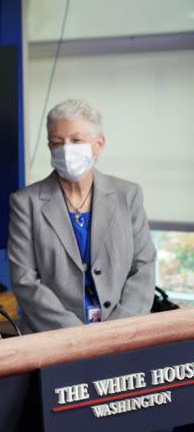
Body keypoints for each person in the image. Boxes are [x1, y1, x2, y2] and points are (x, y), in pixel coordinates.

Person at [8, 99, 155, 336]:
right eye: (57, 142)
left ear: (99, 144)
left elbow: (143, 266)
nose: (66, 150)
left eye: (76, 140)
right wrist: (77, 335)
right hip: (54, 337)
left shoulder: (127, 195)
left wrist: (119, 329)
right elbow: (25, 280)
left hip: (124, 334)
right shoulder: (26, 203)